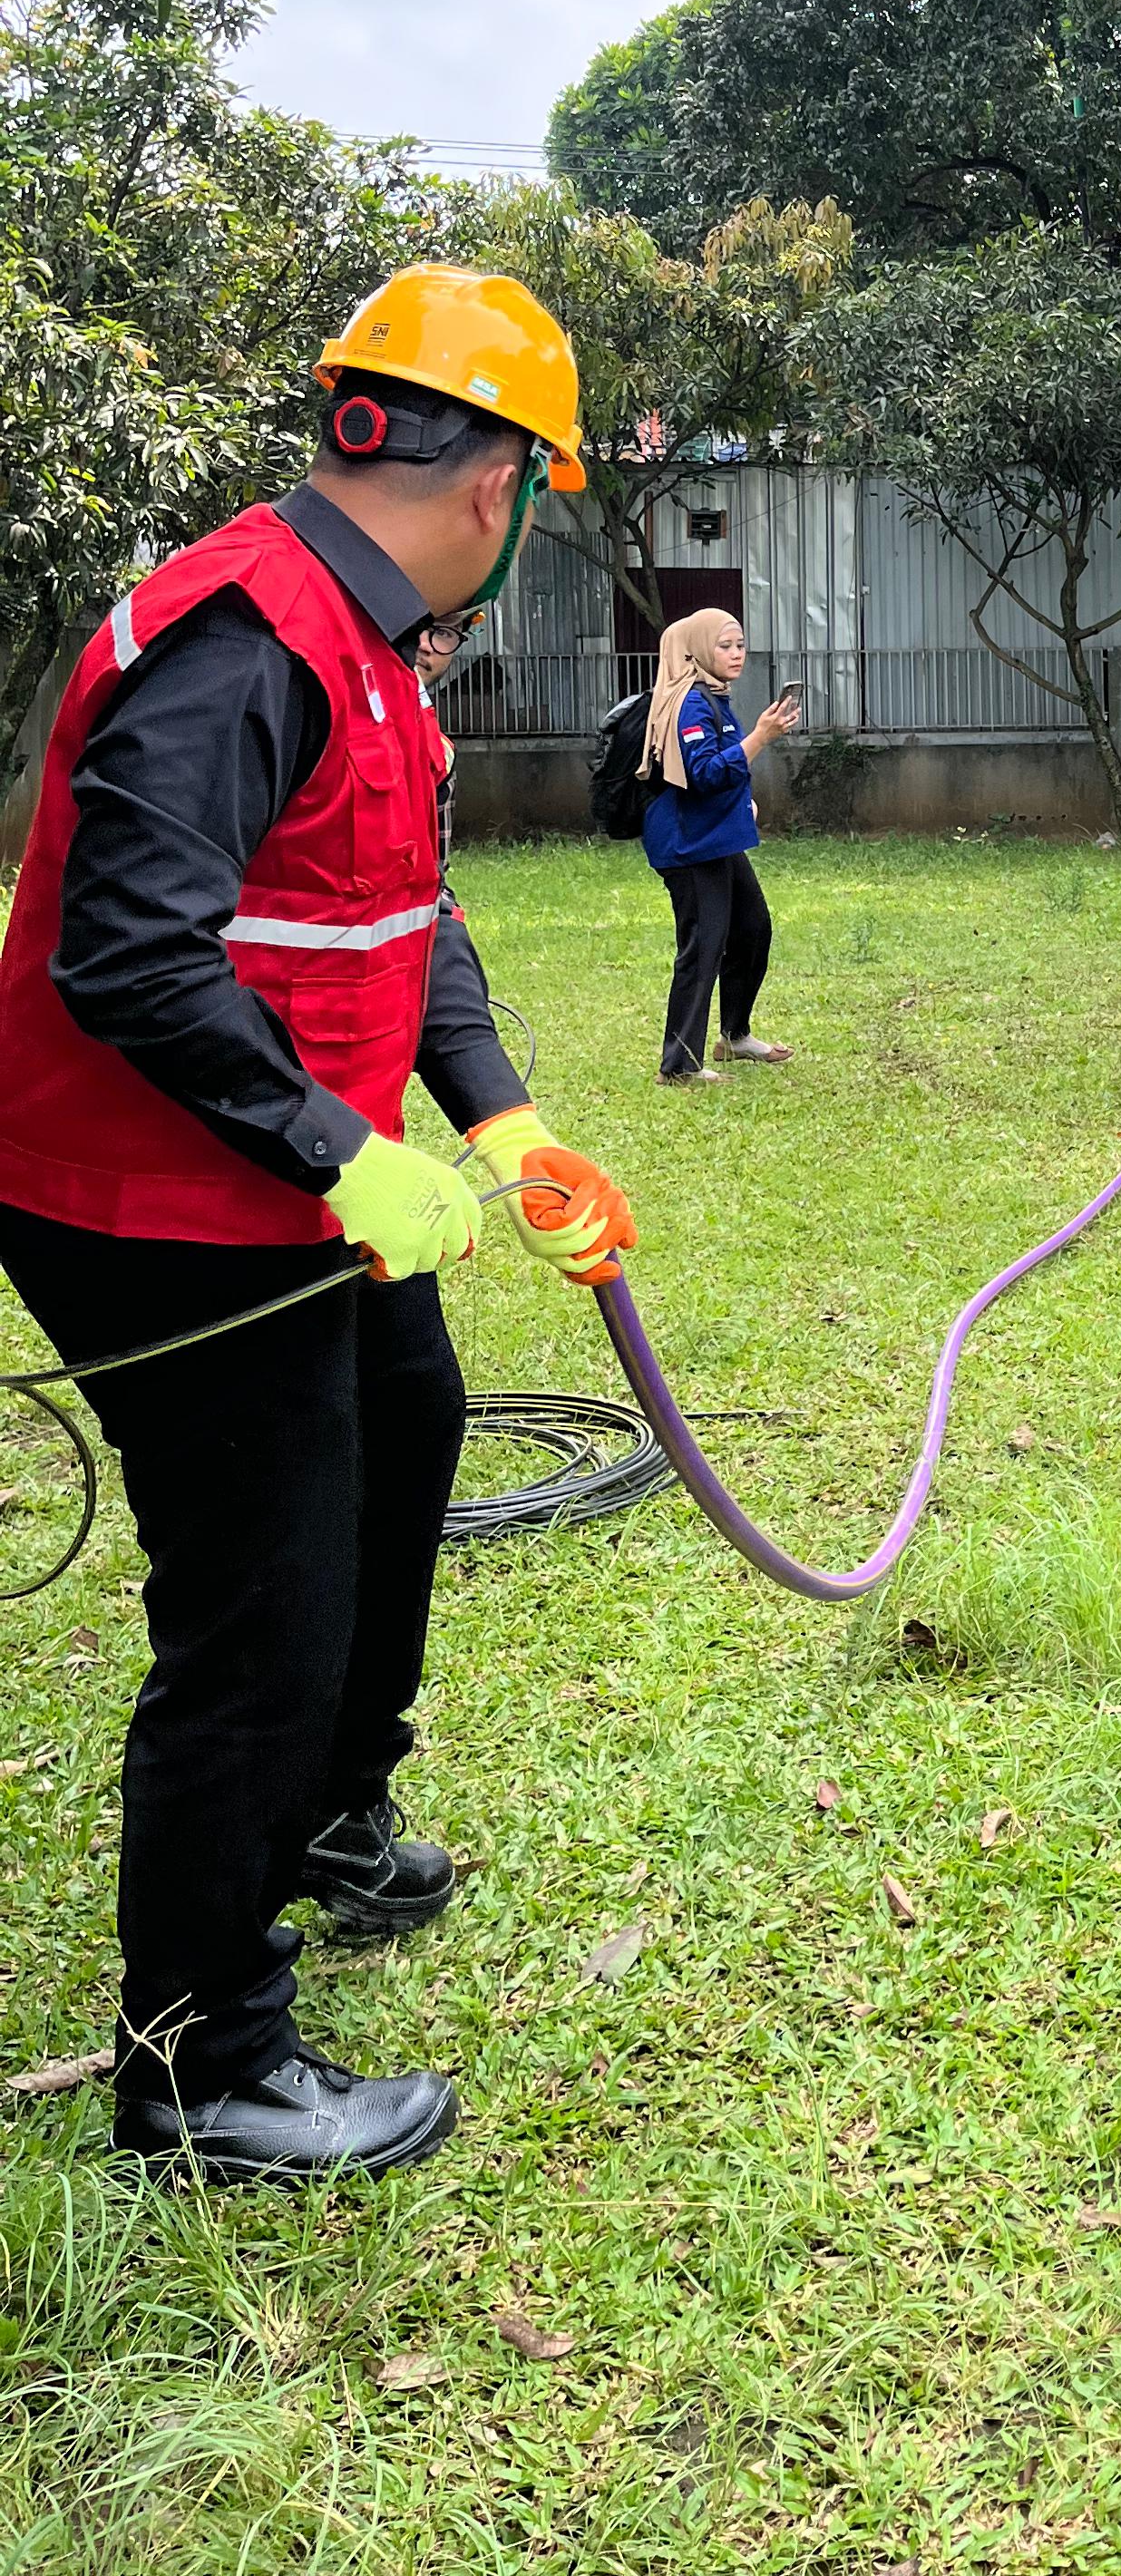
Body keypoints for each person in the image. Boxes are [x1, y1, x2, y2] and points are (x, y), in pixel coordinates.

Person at [0, 268, 637, 2181]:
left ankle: (330, 1816)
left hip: (288, 1189)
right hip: (162, 1211)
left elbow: (399, 915)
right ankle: (199, 2073)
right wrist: (336, 1154)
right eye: (540, 496)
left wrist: (497, 1118)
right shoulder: (247, 643)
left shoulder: (374, 649)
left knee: (411, 1435)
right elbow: (126, 951)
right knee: (257, 1612)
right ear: (492, 483)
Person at [638, 610, 799, 1084]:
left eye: (740, 644)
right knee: (702, 948)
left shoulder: (713, 696)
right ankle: (679, 1065)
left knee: (752, 929)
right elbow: (704, 773)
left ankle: (734, 1035)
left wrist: (742, 801)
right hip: (690, 845)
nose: (737, 654)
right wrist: (760, 737)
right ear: (699, 650)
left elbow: (718, 772)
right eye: (725, 645)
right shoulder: (690, 702)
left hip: (717, 837)